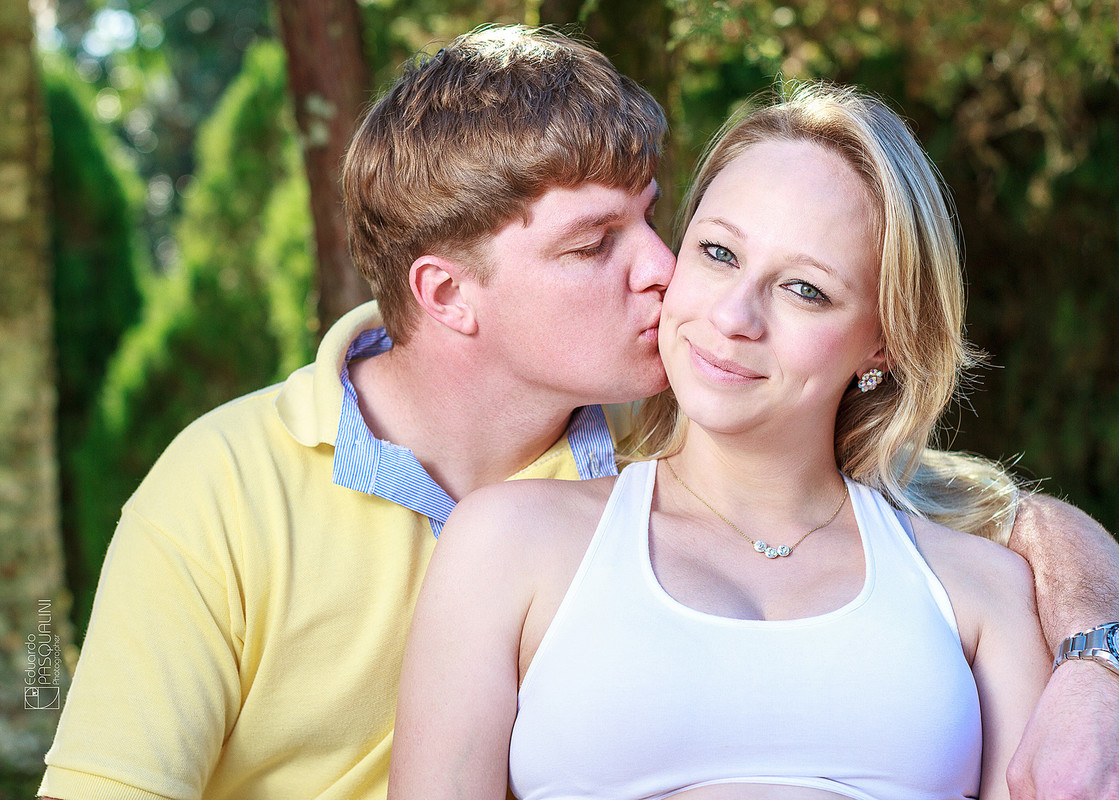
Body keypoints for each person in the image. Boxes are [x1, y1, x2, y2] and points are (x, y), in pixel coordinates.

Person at [39, 26, 1119, 800]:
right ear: (447, 294)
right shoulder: (228, 488)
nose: (671, 279)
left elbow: (1016, 526)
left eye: (661, 223)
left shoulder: (669, 418)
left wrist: (1098, 658)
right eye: (595, 245)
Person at [386, 83, 1109, 800]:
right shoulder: (509, 539)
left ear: (882, 343)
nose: (735, 315)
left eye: (805, 290)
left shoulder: (977, 585)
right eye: (717, 253)